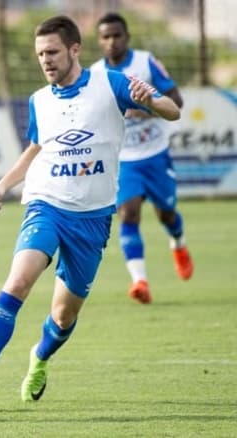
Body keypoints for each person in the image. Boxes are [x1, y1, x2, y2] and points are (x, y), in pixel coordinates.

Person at [0, 15, 180, 405]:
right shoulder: (39, 100)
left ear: (75, 49)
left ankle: (39, 358)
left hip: (92, 218)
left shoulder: (111, 83)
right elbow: (36, 148)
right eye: (40, 53)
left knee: (63, 316)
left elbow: (173, 110)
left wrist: (152, 101)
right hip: (47, 204)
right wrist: (3, 186)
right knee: (18, 282)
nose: (46, 60)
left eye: (53, 51)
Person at [91, 12, 193, 304]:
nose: (111, 41)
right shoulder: (96, 74)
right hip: (124, 159)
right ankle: (140, 281)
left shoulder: (145, 62)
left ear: (127, 37)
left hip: (156, 154)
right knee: (129, 213)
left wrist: (146, 106)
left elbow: (177, 100)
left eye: (116, 35)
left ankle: (178, 243)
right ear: (99, 41)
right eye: (105, 37)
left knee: (167, 214)